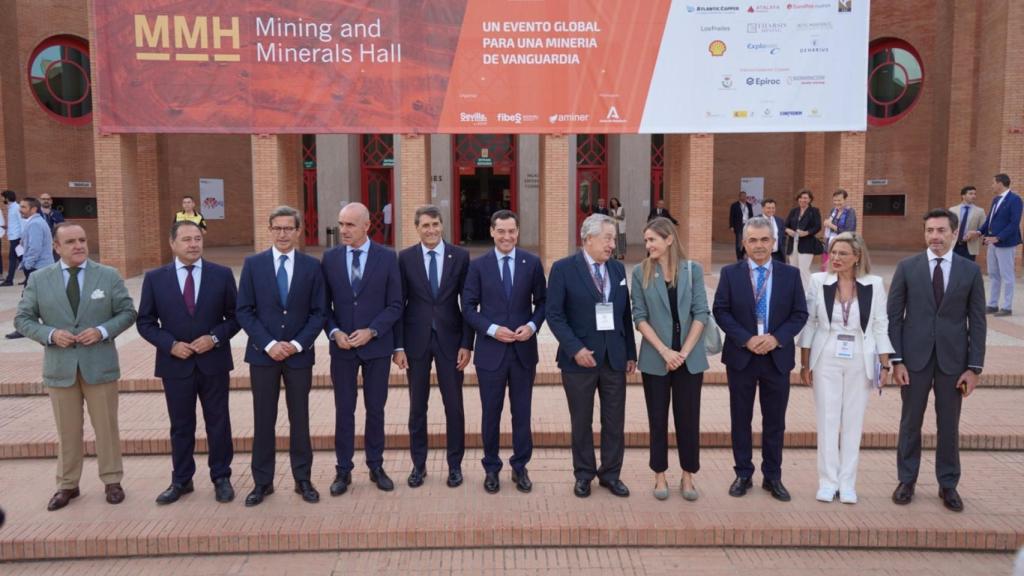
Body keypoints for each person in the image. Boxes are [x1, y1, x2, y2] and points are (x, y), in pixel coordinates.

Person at [14, 223, 137, 511]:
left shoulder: (107, 276)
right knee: (67, 430)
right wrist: (50, 335)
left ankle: (112, 480)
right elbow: (23, 319)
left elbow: (127, 312)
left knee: (106, 427)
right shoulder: (39, 280)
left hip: (100, 365)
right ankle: (67, 484)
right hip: (60, 368)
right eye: (70, 241)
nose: (78, 245)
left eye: (82, 240)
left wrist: (103, 331)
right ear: (56, 247)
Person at [136, 220, 241, 505]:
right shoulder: (156, 278)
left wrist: (215, 338)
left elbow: (236, 317)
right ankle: (181, 480)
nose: (193, 244)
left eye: (197, 238)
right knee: (181, 425)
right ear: (172, 243)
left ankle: (221, 477)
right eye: (186, 239)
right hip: (176, 365)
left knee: (218, 423)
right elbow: (145, 322)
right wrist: (169, 345)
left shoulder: (221, 275)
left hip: (214, 362)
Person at [889, 208, 986, 512]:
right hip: (913, 361)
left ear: (954, 234)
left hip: (953, 363)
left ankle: (948, 484)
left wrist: (974, 367)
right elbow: (893, 318)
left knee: (949, 425)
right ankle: (907, 480)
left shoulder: (969, 272)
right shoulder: (907, 267)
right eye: (930, 230)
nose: (935, 236)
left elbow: (977, 321)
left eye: (941, 231)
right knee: (910, 423)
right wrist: (897, 360)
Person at [236, 205, 326, 507]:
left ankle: (303, 479)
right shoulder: (253, 264)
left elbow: (319, 312)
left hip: (299, 357)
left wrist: (298, 344)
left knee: (299, 419)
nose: (283, 233)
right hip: (263, 357)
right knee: (264, 420)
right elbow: (244, 311)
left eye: (289, 228)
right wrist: (269, 343)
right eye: (278, 228)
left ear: (298, 231)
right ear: (270, 229)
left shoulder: (312, 267)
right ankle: (262, 482)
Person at [714, 217, 808, 502]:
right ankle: (743, 473)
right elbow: (721, 311)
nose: (759, 245)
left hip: (776, 357)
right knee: (740, 418)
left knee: (775, 421)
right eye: (752, 240)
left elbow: (799, 314)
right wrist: (747, 338)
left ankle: (773, 476)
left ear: (774, 243)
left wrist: (775, 338)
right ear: (744, 243)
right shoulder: (730, 273)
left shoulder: (789, 275)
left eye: (764, 240)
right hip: (742, 356)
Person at [800, 232, 893, 504]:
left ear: (857, 257)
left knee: (853, 421)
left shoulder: (874, 284)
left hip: (859, 356)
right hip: (826, 355)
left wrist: (885, 364)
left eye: (843, 254)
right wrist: (805, 362)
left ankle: (848, 483)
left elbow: (880, 325)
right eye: (833, 253)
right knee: (827, 420)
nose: (836, 258)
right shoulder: (819, 282)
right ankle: (827, 482)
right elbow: (810, 322)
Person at [547, 214, 636, 499]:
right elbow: (555, 316)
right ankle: (584, 474)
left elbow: (624, 316)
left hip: (614, 358)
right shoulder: (563, 269)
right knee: (581, 421)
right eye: (608, 238)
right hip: (579, 361)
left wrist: (630, 353)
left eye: (614, 238)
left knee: (614, 421)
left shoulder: (619, 270)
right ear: (588, 239)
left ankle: (611, 474)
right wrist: (576, 349)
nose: (613, 244)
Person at [462, 209, 546, 494]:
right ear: (492, 232)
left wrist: (533, 326)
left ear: (518, 232)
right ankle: (491, 468)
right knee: (491, 414)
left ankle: (520, 467)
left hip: (523, 352)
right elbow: (468, 307)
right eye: (501, 231)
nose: (507, 236)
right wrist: (491, 329)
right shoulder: (478, 266)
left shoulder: (531, 263)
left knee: (521, 413)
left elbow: (543, 303)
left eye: (512, 231)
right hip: (491, 353)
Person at [322, 202, 402, 495]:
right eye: (341, 224)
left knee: (375, 409)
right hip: (342, 348)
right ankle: (343, 471)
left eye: (350, 225)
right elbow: (323, 306)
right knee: (344, 410)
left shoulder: (386, 257)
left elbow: (396, 304)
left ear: (367, 226)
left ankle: (376, 465)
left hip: (376, 347)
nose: (343, 230)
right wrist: (334, 332)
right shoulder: (329, 258)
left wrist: (373, 331)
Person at [631, 217, 710, 501]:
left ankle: (688, 477)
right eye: (646, 239)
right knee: (657, 419)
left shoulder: (693, 270)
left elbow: (701, 313)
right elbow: (639, 317)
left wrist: (683, 353)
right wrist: (665, 351)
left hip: (689, 360)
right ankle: (660, 476)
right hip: (656, 359)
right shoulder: (641, 273)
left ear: (669, 240)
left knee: (688, 419)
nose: (648, 244)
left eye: (652, 239)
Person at [393, 205, 472, 489]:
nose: (431, 230)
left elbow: (468, 303)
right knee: (417, 407)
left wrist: (467, 343)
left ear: (442, 226)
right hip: (416, 342)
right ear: (417, 228)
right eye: (425, 225)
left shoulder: (460, 257)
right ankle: (419, 465)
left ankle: (455, 466)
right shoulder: (405, 259)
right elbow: (398, 305)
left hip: (451, 342)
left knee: (454, 407)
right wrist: (398, 346)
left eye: (436, 224)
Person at [6, 198, 54, 339]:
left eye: (23, 207)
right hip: (39, 267)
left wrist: (27, 265)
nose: (20, 209)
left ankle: (24, 328)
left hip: (37, 267)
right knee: (34, 298)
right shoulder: (34, 222)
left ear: (33, 209)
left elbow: (35, 248)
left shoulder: (35, 224)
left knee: (28, 298)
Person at [978, 173, 1022, 316]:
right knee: (993, 274)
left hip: (1006, 243)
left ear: (1000, 183)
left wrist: (999, 237)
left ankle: (1007, 307)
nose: (992, 185)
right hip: (992, 243)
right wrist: (978, 232)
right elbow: (989, 220)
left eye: (993, 183)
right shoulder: (996, 199)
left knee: (1007, 275)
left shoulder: (1015, 200)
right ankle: (992, 304)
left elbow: (1014, 223)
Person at [784, 189, 822, 288]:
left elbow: (817, 226)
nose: (802, 200)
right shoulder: (794, 211)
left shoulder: (814, 211)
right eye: (801, 197)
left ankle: (808, 293)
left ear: (810, 199)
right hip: (793, 244)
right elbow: (785, 225)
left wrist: (806, 233)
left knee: (803, 270)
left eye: (805, 198)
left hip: (807, 244)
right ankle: (795, 291)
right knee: (793, 269)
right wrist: (788, 231)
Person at [821, 189, 857, 271]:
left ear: (845, 200)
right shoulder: (833, 211)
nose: (837, 203)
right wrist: (826, 224)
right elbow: (829, 227)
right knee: (828, 270)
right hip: (830, 244)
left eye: (839, 200)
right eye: (835, 200)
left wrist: (831, 226)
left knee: (838, 270)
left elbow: (849, 231)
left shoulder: (850, 212)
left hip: (843, 246)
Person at [949, 186, 986, 262]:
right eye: (970, 193)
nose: (974, 196)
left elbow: (984, 228)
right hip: (954, 245)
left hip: (970, 246)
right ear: (963, 196)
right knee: (953, 269)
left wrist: (975, 233)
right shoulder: (952, 210)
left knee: (968, 271)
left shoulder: (980, 211)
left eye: (975, 194)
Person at [2, 189, 22, 286]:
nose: (2, 199)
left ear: (7, 198)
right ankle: (29, 278)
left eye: (3, 197)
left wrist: (22, 238)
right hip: (13, 237)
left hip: (17, 238)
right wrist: (6, 227)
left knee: (14, 258)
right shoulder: (11, 208)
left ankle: (9, 280)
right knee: (21, 258)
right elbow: (15, 224)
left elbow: (21, 223)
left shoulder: (17, 208)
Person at [729, 191, 754, 261]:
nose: (744, 197)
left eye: (745, 196)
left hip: (747, 225)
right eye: (742, 196)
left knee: (746, 241)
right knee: (739, 242)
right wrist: (731, 226)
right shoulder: (734, 205)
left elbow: (751, 215)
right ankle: (739, 258)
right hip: (739, 226)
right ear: (739, 197)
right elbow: (731, 216)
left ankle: (743, 254)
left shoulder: (749, 205)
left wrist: (752, 224)